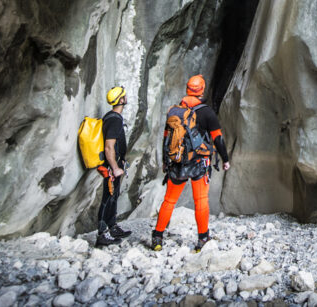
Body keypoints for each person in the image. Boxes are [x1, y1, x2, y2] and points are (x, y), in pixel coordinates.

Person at [151, 74, 231, 252]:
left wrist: (166, 162)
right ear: (201, 90)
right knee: (201, 200)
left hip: (177, 162)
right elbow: (217, 138)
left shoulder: (175, 112)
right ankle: (203, 238)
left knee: (169, 201)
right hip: (198, 163)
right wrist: (225, 159)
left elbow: (166, 139)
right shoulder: (207, 112)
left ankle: (157, 237)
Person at [95, 86, 132, 246]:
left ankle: (112, 226)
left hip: (114, 164)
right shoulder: (115, 120)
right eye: (124, 96)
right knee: (108, 198)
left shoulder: (112, 117)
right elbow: (109, 146)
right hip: (111, 167)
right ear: (121, 100)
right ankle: (101, 235)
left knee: (113, 196)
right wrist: (115, 167)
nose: (125, 97)